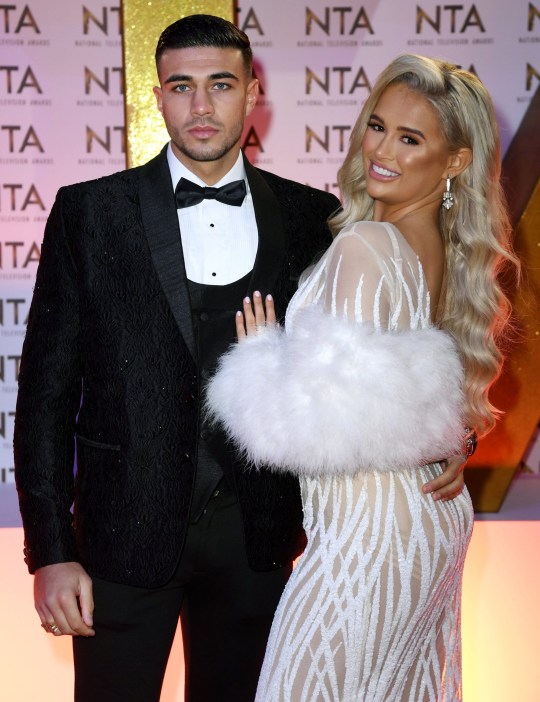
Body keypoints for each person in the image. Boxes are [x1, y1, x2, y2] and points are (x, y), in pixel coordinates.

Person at [13, 14, 464, 701]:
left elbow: (390, 354)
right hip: (120, 543)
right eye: (181, 87)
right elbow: (45, 394)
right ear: (157, 96)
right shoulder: (91, 212)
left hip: (260, 542)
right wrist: (50, 552)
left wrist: (451, 432)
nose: (200, 106)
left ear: (254, 93)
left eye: (220, 85)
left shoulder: (318, 217)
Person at [207, 54, 518, 701]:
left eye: (411, 139)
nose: (381, 150)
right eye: (377, 126)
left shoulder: (365, 246)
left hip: (367, 536)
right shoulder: (444, 252)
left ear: (456, 160)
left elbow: (323, 428)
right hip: (429, 524)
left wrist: (262, 359)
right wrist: (455, 442)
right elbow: (425, 391)